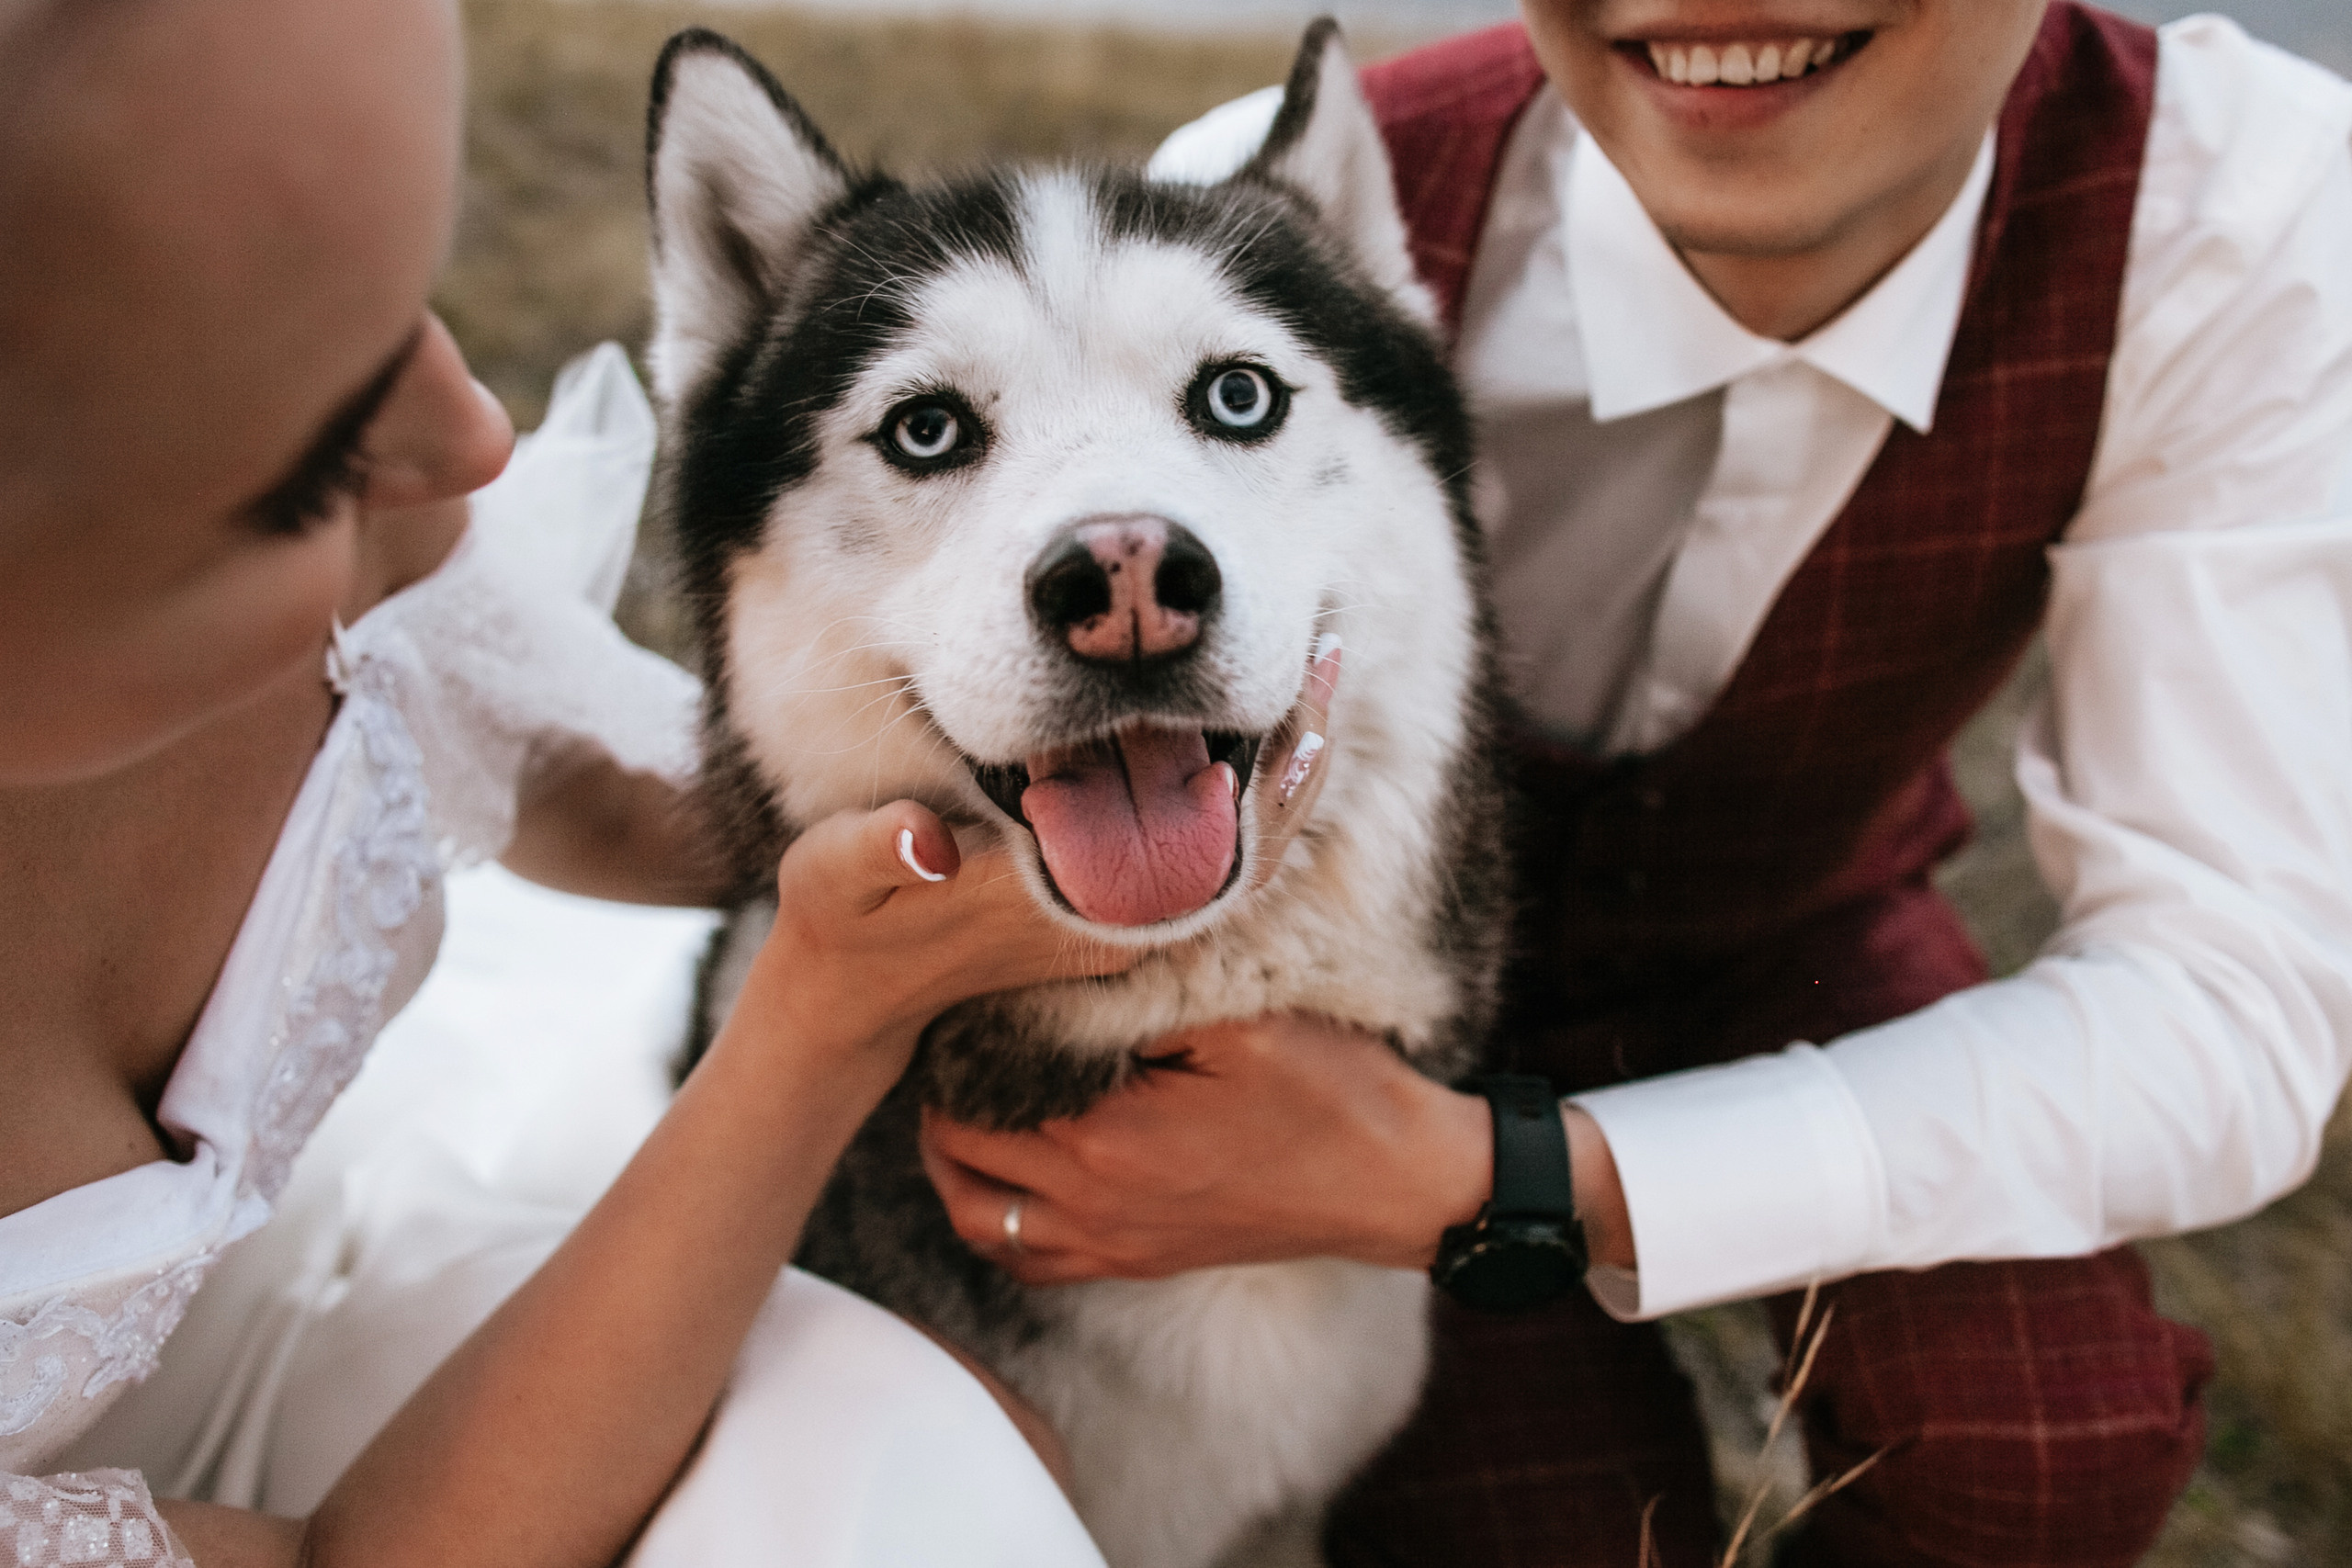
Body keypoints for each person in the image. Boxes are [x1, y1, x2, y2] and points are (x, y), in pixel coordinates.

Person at [920, 2, 2352, 1563]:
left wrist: (1516, 1182)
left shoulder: (2231, 211)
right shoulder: (1264, 217)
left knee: (2040, 1436)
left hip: (1796, 929)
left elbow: (2235, 986)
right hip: (1328, 1008)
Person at [0, 1, 1128, 1563]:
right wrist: (822, 1013)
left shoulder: (345, 460)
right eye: (315, 446)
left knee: (928, 1455)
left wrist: (1037, 734)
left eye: (401, 303)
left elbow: (626, 793)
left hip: (314, 1296)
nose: (469, 439)